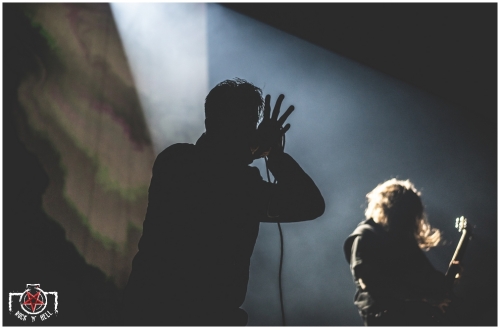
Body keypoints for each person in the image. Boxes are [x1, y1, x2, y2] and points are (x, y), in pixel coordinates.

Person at [122, 78, 325, 325]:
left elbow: (311, 204)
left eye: (251, 123)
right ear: (211, 123)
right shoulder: (180, 160)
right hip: (159, 312)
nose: (250, 132)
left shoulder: (243, 182)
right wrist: (263, 150)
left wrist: (276, 156)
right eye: (241, 123)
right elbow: (218, 178)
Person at [343, 179, 456, 326]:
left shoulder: (401, 240)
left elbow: (427, 277)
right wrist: (421, 301)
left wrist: (445, 282)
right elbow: (370, 283)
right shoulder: (366, 235)